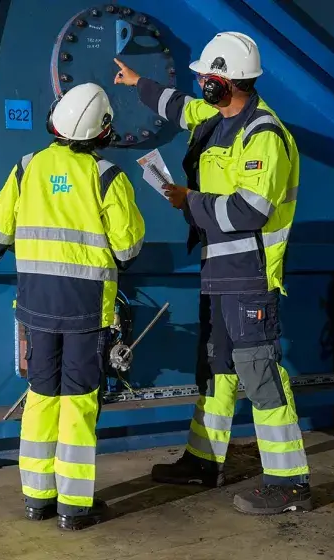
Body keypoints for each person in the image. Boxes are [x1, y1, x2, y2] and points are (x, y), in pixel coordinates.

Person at [114, 31, 310, 515]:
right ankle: (204, 461)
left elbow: (250, 211)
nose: (200, 80)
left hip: (249, 274)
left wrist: (190, 201)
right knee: (216, 368)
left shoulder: (262, 134)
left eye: (207, 75)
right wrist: (139, 83)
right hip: (218, 270)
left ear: (227, 82)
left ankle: (290, 482)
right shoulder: (215, 117)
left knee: (260, 373)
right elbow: (178, 106)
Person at [0, 82, 145, 530]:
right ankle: (74, 507)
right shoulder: (108, 176)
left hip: (35, 308)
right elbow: (129, 249)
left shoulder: (26, 168)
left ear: (54, 121)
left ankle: (37, 498)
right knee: (79, 402)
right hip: (87, 312)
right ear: (103, 132)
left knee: (40, 396)